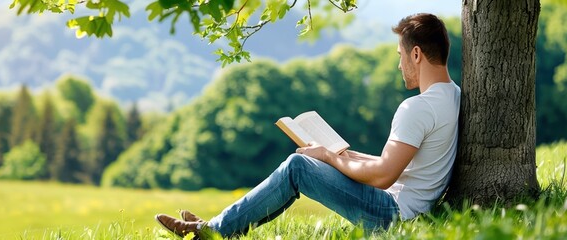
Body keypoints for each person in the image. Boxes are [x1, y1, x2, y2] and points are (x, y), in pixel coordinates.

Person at [155, 12, 461, 238]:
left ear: (416, 54)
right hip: (409, 208)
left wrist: (329, 158)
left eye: (401, 55)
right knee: (306, 161)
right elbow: (395, 166)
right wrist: (343, 155)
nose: (399, 65)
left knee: (297, 167)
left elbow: (383, 176)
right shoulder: (453, 95)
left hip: (393, 215)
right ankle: (220, 225)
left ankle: (215, 229)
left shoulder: (416, 108)